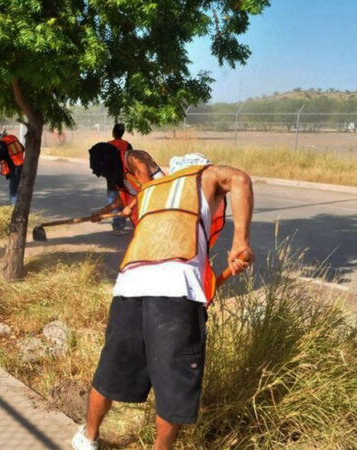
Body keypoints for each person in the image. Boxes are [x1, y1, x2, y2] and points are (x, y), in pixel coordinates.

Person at [72, 156, 254, 450]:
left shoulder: (153, 190)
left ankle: (87, 437)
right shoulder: (204, 176)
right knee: (172, 388)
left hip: (129, 287)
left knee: (110, 370)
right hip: (175, 293)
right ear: (201, 167)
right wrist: (241, 242)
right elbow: (240, 179)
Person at [89, 143, 164, 228]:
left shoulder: (133, 158)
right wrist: (101, 212)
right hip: (150, 212)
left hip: (163, 203)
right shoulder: (118, 170)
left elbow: (148, 189)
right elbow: (122, 199)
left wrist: (130, 207)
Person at [106, 123, 132, 234]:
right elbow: (130, 160)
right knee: (122, 201)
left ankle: (117, 226)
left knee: (113, 201)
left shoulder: (107, 145)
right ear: (122, 133)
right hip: (123, 177)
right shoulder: (127, 145)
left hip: (111, 178)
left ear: (113, 132)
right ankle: (119, 226)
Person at [0, 131, 25, 206]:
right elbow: (22, 148)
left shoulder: (1, 143)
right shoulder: (12, 137)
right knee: (19, 189)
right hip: (22, 165)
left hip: (14, 168)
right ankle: (20, 208)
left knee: (13, 191)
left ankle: (15, 210)